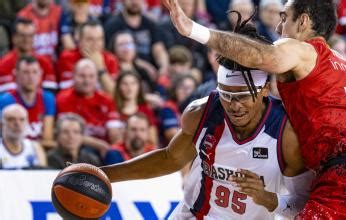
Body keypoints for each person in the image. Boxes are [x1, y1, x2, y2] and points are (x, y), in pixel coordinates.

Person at [163, 0, 346, 218]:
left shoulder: (306, 50)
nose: (278, 29)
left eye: (284, 18)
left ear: (303, 21)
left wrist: (193, 30)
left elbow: (261, 56)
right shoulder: (341, 65)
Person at [100, 18, 313, 219]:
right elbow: (169, 159)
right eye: (227, 95)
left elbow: (303, 207)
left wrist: (267, 198)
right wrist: (102, 174)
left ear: (265, 89)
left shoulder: (286, 132)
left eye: (242, 96)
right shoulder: (201, 112)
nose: (234, 105)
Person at [56, 59, 121, 155]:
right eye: (82, 76)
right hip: (80, 147)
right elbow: (68, 135)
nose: (87, 81)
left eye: (91, 76)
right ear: (73, 76)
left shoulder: (107, 100)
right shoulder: (63, 98)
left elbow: (114, 132)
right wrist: (99, 144)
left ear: (97, 78)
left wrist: (114, 145)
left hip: (105, 149)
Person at [0, 56, 56, 148]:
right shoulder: (5, 101)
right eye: (26, 72)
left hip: (40, 151)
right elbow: (8, 141)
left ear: (40, 74)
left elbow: (47, 139)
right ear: (16, 74)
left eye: (34, 72)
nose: (31, 77)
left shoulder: (47, 99)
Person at [104, 0, 169, 75]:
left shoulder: (150, 24)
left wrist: (163, 67)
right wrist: (143, 65)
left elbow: (158, 49)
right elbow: (110, 54)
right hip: (123, 71)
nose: (134, 1)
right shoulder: (112, 25)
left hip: (150, 74)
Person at [57, 20, 117, 95]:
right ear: (80, 41)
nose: (95, 44)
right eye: (90, 39)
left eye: (99, 39)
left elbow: (114, 94)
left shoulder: (110, 59)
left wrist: (101, 68)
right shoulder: (67, 58)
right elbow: (66, 93)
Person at [0, 18, 56, 93]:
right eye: (22, 35)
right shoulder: (3, 65)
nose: (26, 40)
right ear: (14, 38)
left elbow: (50, 94)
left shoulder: (45, 63)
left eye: (30, 36)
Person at [113, 71, 159, 146]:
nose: (129, 88)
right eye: (125, 84)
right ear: (118, 86)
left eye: (133, 83)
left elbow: (153, 141)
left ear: (139, 87)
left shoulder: (146, 110)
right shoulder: (112, 109)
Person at [0, 104, 46, 169]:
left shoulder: (35, 147)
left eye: (22, 119)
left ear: (27, 123)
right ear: (1, 125)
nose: (17, 123)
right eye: (11, 119)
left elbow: (43, 175)